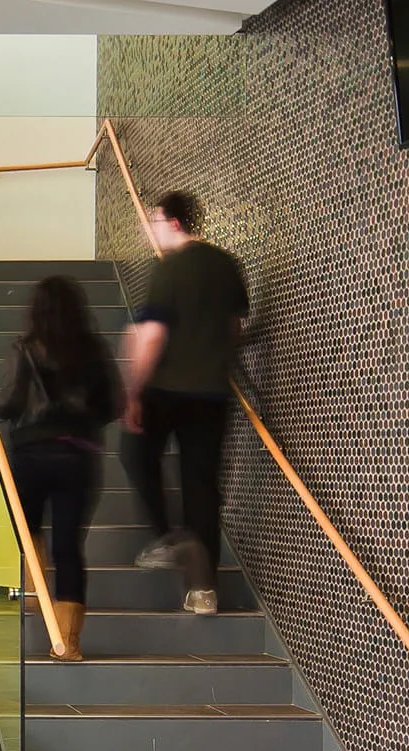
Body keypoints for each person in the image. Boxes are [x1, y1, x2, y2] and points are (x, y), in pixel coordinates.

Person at [123, 190, 250, 617]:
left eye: (156, 221)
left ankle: (168, 539)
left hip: (165, 389)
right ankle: (204, 590)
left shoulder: (170, 268)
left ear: (174, 222)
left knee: (136, 452)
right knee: (201, 484)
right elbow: (234, 326)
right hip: (213, 393)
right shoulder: (227, 265)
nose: (153, 229)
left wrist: (134, 392)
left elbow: (153, 336)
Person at [0, 276, 121, 660]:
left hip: (32, 454)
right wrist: (81, 423)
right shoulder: (94, 349)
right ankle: (68, 641)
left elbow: (12, 402)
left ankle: (34, 588)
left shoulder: (26, 348)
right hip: (78, 457)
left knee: (28, 530)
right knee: (68, 546)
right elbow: (112, 405)